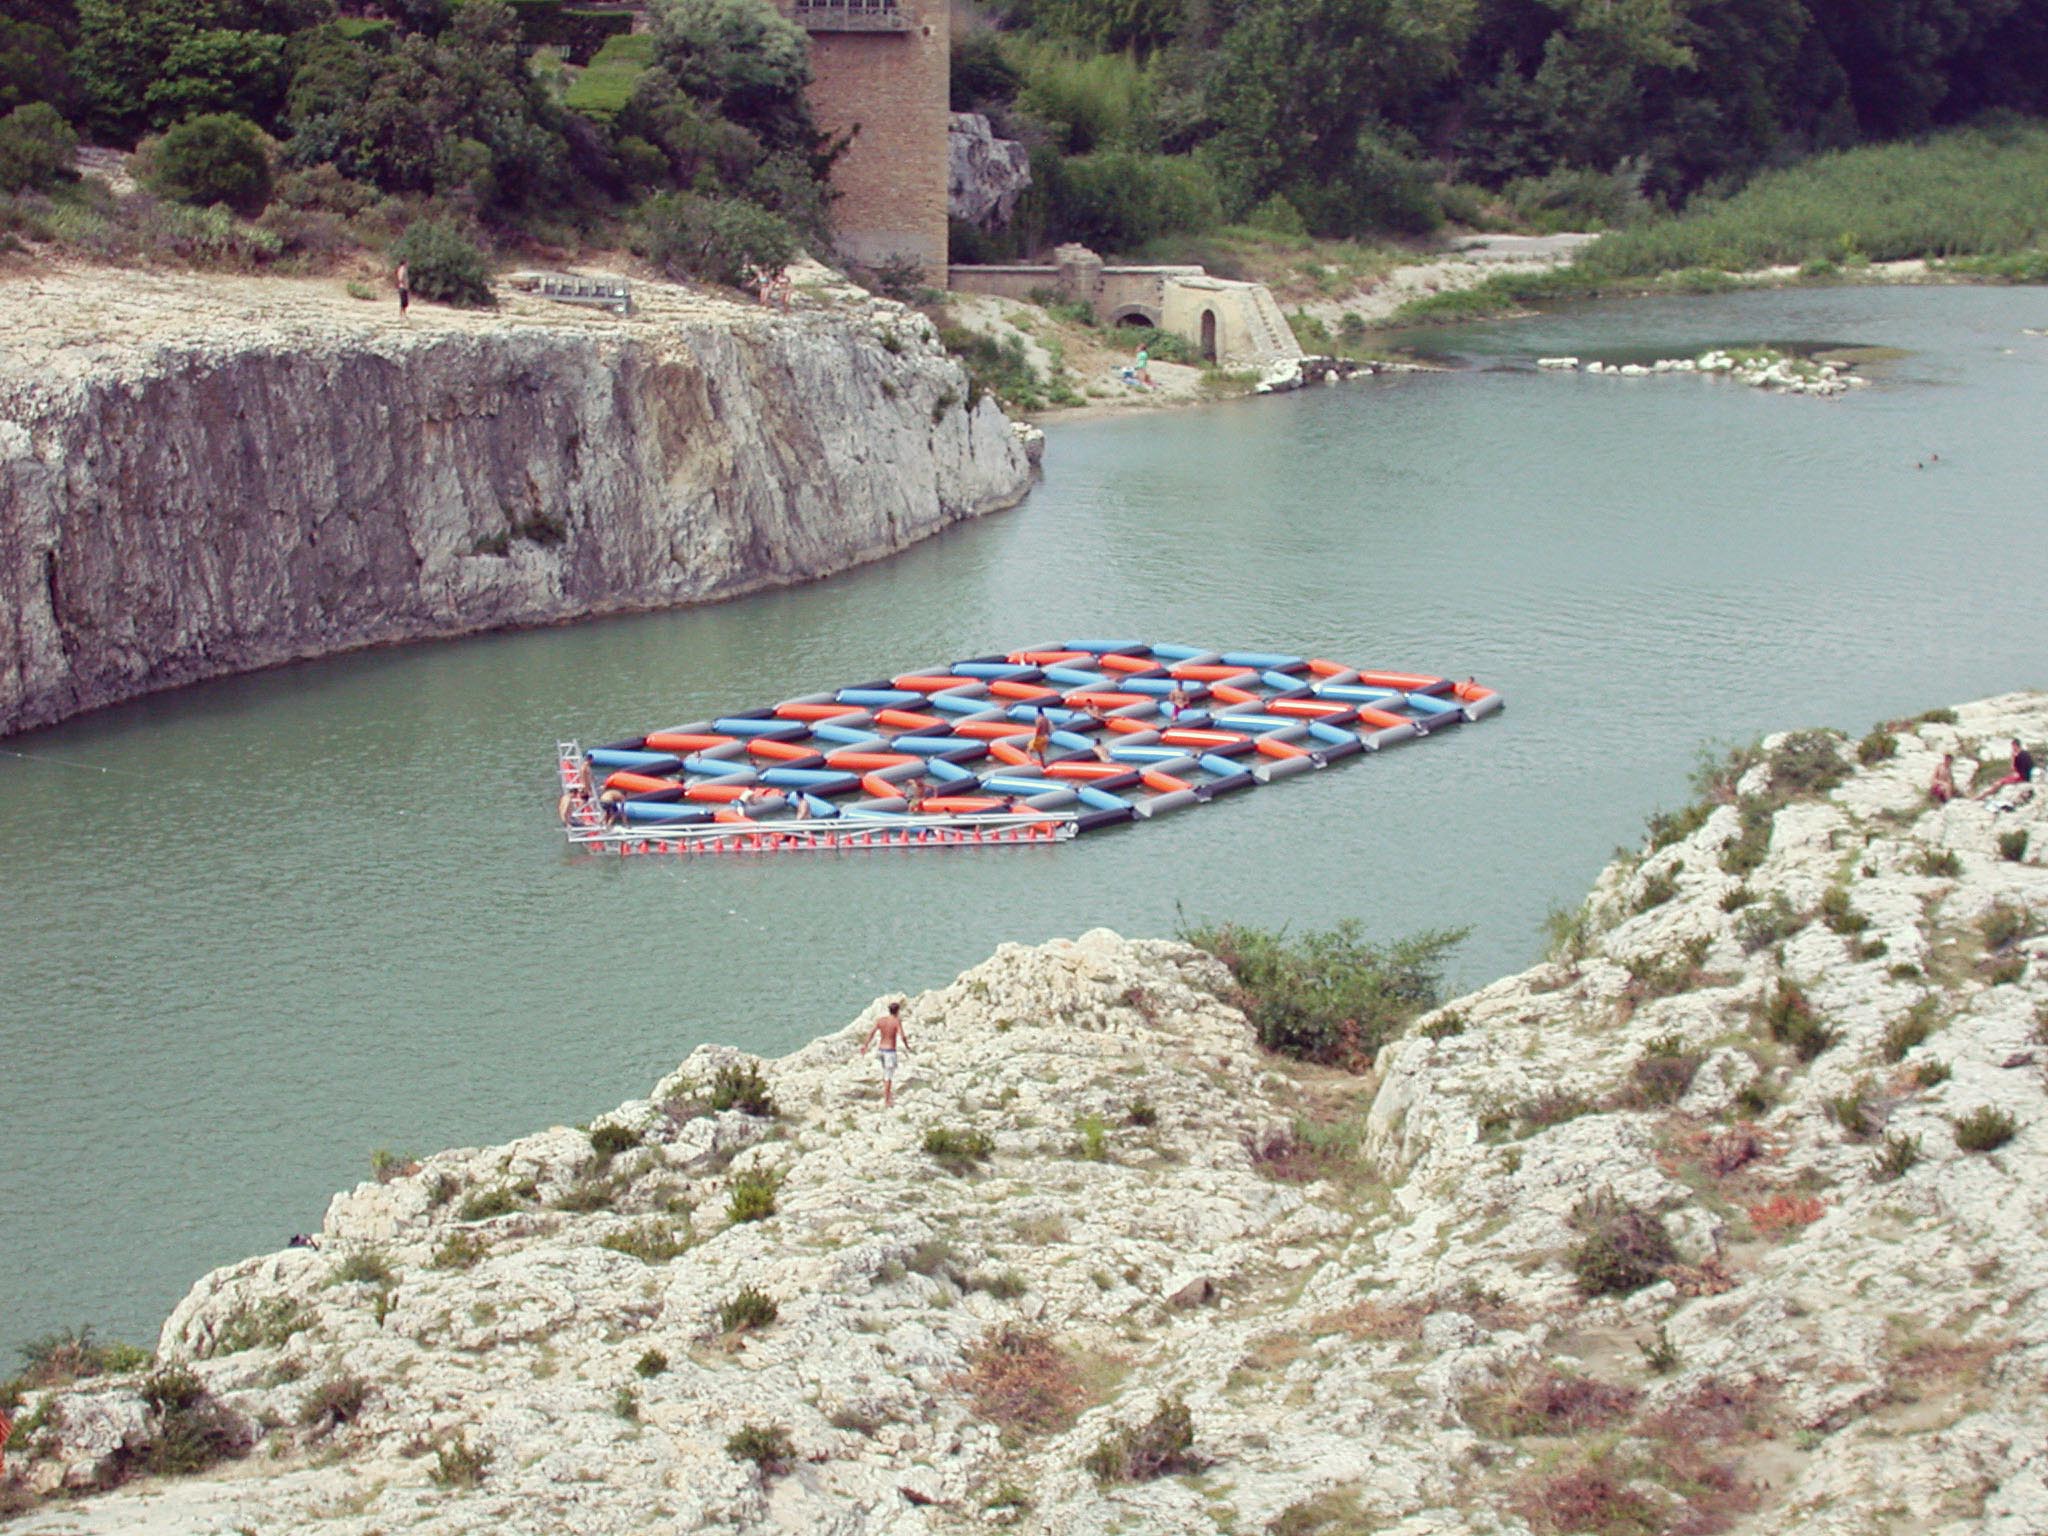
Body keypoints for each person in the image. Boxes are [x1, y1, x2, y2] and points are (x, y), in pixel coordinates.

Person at [861, 1000, 908, 1108]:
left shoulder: (880, 1020)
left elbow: (871, 1032)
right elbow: (902, 1036)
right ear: (898, 1011)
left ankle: (886, 1094)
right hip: (890, 1051)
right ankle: (887, 1100)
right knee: (888, 1076)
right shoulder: (896, 1021)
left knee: (885, 1073)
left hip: (881, 1050)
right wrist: (907, 1046)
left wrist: (865, 1045)